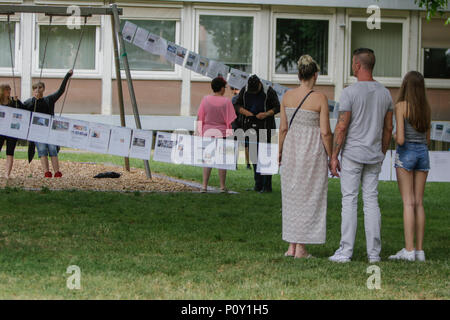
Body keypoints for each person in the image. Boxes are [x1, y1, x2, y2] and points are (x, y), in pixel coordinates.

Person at [329, 48, 393, 263]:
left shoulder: (349, 92)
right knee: (371, 202)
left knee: (349, 201)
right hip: (374, 154)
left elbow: (342, 126)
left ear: (357, 65)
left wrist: (334, 155)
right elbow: (388, 129)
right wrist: (382, 152)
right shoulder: (385, 93)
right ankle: (374, 254)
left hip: (353, 154)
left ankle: (346, 251)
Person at [279, 55, 333, 258]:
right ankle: (300, 248)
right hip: (312, 151)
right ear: (315, 75)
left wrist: (280, 151)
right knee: (308, 197)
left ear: (299, 74)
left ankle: (292, 246)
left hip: (292, 148)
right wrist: (331, 156)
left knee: (292, 196)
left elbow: (283, 128)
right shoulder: (320, 98)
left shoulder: (286, 97)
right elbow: (326, 132)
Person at [388, 71, 431, 262]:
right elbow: (427, 139)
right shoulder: (426, 108)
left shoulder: (401, 106)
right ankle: (420, 251)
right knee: (419, 203)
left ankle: (408, 250)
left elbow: (402, 139)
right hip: (423, 153)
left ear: (406, 86)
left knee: (408, 202)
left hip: (406, 154)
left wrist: (393, 135)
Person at [234, 75, 280, 193]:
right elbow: (237, 105)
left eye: (255, 90)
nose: (253, 93)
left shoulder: (269, 91)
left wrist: (265, 114)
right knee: (254, 156)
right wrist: (246, 112)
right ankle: (257, 184)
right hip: (250, 126)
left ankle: (267, 186)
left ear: (260, 84)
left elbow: (277, 107)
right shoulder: (244, 90)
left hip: (266, 127)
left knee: (265, 157)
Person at [24, 69, 73, 178]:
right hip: (37, 131)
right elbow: (20, 110)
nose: (38, 90)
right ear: (33, 91)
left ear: (44, 89)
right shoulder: (29, 102)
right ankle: (47, 172)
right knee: (41, 149)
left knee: (52, 149)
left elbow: (61, 91)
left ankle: (57, 172)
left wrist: (67, 76)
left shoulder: (49, 100)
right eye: (35, 88)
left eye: (40, 88)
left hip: (50, 130)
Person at [196, 77, 236, 193]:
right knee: (222, 160)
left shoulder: (205, 99)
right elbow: (230, 120)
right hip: (222, 132)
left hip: (207, 132)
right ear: (222, 88)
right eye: (225, 87)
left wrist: (199, 132)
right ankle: (222, 186)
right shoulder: (227, 101)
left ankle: (204, 186)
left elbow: (200, 117)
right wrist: (230, 134)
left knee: (207, 159)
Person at [0, 84, 26, 179]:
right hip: (1, 130)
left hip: (11, 130)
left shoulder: (13, 101)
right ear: (2, 91)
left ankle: (7, 174)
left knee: (10, 152)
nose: (9, 91)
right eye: (7, 89)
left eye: (10, 89)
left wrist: (17, 101)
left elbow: (24, 109)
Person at [230, 86, 251, 170]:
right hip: (244, 123)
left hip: (235, 123)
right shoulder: (247, 99)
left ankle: (234, 164)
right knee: (246, 145)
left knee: (236, 144)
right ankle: (248, 165)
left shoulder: (234, 99)